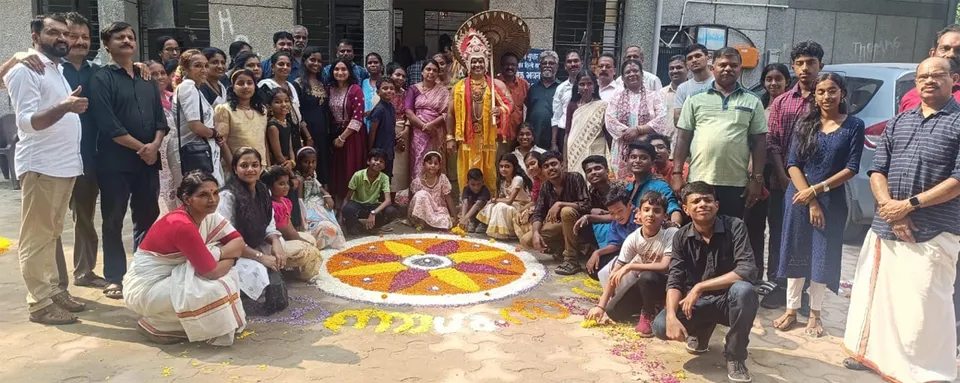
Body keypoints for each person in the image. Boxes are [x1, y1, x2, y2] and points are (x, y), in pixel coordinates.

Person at [841, 57, 960, 383]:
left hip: (934, 230)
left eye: (938, 75)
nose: (929, 81)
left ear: (954, 80)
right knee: (878, 296)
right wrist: (891, 210)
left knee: (925, 305)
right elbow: (877, 170)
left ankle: (926, 371)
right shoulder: (899, 121)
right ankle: (874, 357)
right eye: (923, 76)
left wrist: (908, 206)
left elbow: (958, 181)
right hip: (887, 227)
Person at [4, 13, 88, 324]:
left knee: (51, 234)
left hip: (62, 166)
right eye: (54, 33)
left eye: (65, 33)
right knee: (36, 237)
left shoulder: (55, 69)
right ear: (35, 36)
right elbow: (27, 122)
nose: (63, 39)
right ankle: (39, 303)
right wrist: (65, 106)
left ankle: (53, 290)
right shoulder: (27, 69)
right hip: (41, 166)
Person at [771, 73, 865, 336]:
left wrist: (818, 190)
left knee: (822, 255)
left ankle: (815, 314)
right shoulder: (805, 123)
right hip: (799, 197)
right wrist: (810, 198)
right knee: (796, 251)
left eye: (832, 91)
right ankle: (791, 309)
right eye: (821, 91)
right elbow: (792, 164)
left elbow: (851, 168)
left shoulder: (854, 126)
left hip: (831, 199)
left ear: (842, 93)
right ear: (815, 96)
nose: (827, 96)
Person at [88, 21, 169, 300]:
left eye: (130, 36)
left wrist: (155, 145)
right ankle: (114, 276)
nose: (126, 40)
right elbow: (107, 124)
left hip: (147, 162)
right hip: (114, 164)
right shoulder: (101, 78)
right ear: (107, 45)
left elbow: (161, 119)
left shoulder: (146, 78)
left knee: (148, 218)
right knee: (113, 219)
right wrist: (142, 148)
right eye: (119, 37)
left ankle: (143, 271)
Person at [123, 171, 247, 346]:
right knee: (214, 289)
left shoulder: (208, 215)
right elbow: (211, 272)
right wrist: (229, 256)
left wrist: (220, 256)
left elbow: (238, 241)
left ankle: (175, 324)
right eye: (203, 195)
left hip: (169, 278)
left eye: (215, 192)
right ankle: (157, 325)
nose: (212, 199)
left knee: (228, 276)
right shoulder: (182, 225)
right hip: (147, 289)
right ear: (187, 200)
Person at [653, 181, 760, 383]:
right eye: (696, 201)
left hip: (729, 301)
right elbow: (675, 279)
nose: (703, 204)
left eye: (708, 200)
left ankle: (735, 356)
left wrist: (699, 287)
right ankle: (702, 330)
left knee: (744, 291)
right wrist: (670, 316)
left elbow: (746, 270)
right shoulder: (681, 237)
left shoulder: (735, 226)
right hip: (697, 304)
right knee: (660, 326)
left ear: (716, 205)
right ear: (686, 209)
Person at [761, 41, 824, 310]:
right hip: (782, 182)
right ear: (794, 66)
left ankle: (807, 289)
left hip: (819, 183)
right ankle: (779, 284)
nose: (805, 68)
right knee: (779, 233)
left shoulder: (828, 98)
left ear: (820, 65)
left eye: (811, 62)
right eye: (800, 63)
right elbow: (773, 141)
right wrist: (782, 174)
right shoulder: (782, 102)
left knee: (812, 235)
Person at [671, 47, 767, 220]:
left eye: (733, 65)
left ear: (740, 68)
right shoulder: (694, 99)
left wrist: (757, 179)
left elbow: (760, 142)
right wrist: (677, 174)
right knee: (698, 234)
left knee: (730, 235)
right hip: (700, 179)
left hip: (736, 183)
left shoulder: (752, 101)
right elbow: (683, 139)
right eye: (722, 64)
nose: (728, 69)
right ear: (712, 67)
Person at [587, 189, 678, 337]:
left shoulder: (671, 233)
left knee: (647, 276)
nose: (650, 214)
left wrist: (630, 266)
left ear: (664, 216)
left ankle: (648, 314)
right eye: (646, 210)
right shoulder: (633, 238)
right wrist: (600, 306)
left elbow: (664, 266)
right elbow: (615, 273)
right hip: (645, 285)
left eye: (657, 211)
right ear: (639, 213)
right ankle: (647, 304)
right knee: (613, 311)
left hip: (667, 284)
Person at [56, 12, 104, 288]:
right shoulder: (50, 70)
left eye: (85, 37)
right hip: (55, 158)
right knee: (51, 225)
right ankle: (54, 283)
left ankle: (84, 272)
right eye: (74, 35)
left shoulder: (97, 72)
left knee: (84, 217)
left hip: (89, 158)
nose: (80, 42)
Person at [448, 29, 514, 193]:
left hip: (488, 138)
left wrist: (500, 110)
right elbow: (450, 114)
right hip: (467, 139)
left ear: (486, 63)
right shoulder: (459, 87)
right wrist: (450, 137)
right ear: (468, 63)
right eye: (474, 61)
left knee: (489, 171)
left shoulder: (496, 85)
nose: (477, 64)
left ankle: (488, 204)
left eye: (481, 61)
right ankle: (467, 202)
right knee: (467, 171)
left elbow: (510, 105)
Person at [520, 151, 591, 275]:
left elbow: (587, 205)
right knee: (527, 240)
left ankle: (572, 260)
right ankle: (562, 247)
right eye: (546, 166)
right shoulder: (545, 187)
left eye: (554, 164)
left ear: (562, 165)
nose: (551, 168)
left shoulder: (575, 178)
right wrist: (536, 233)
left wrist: (561, 204)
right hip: (560, 226)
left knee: (566, 211)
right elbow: (538, 213)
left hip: (582, 223)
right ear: (542, 170)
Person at [170, 49, 225, 186]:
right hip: (192, 153)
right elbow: (196, 126)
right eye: (197, 65)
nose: (203, 70)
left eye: (206, 65)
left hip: (200, 151)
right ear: (185, 69)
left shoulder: (195, 88)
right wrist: (216, 133)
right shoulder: (188, 87)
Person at [605, 59, 667, 178]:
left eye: (635, 71)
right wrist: (629, 133)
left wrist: (638, 130)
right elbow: (610, 121)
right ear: (622, 78)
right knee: (622, 184)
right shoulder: (616, 98)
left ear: (642, 74)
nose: (632, 74)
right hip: (622, 146)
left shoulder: (654, 96)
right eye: (628, 72)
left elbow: (662, 119)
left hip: (647, 145)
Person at [574, 156, 627, 276]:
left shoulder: (621, 187)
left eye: (597, 168)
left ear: (607, 171)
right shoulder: (591, 191)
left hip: (624, 232)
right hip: (608, 231)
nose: (593, 173)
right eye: (589, 171)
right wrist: (591, 211)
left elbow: (624, 215)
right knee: (580, 222)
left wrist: (592, 217)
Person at [329, 58, 368, 201]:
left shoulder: (355, 89)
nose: (340, 72)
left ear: (350, 72)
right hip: (335, 133)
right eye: (337, 69)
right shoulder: (330, 88)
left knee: (350, 168)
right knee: (337, 169)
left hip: (352, 135)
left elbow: (358, 118)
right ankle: (338, 201)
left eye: (344, 69)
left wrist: (342, 138)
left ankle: (350, 202)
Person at [405, 59, 450, 182]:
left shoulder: (443, 91)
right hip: (418, 132)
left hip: (436, 131)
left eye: (435, 70)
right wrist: (424, 126)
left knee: (435, 161)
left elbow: (446, 113)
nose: (431, 72)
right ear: (422, 72)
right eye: (428, 69)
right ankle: (418, 192)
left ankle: (437, 193)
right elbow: (408, 111)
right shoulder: (413, 89)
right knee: (418, 160)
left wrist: (431, 125)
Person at [899, 24, 960, 112]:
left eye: (959, 50)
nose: (951, 54)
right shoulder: (912, 96)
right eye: (945, 49)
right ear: (933, 53)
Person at [294, 46, 332, 185]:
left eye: (319, 61)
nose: (316, 64)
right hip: (307, 132)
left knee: (322, 163)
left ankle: (323, 197)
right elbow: (297, 112)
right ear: (304, 60)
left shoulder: (323, 84)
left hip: (323, 132)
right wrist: (307, 135)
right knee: (307, 164)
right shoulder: (298, 84)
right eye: (312, 60)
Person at [294, 147, 345, 249]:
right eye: (306, 162)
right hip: (307, 206)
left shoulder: (313, 174)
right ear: (299, 163)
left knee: (331, 223)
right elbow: (300, 201)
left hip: (318, 202)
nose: (311, 165)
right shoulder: (298, 179)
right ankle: (317, 243)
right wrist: (302, 219)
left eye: (313, 162)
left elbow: (319, 186)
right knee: (322, 226)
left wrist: (327, 195)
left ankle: (330, 240)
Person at [216, 70, 268, 169]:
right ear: (233, 88)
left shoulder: (262, 111)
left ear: (255, 87)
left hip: (260, 168)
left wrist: (267, 166)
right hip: (236, 169)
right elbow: (222, 143)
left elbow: (264, 141)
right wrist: (234, 168)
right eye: (240, 83)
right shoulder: (225, 110)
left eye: (249, 83)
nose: (245, 87)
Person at [341, 148, 400, 234]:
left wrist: (373, 213)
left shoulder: (384, 178)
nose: (378, 163)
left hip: (373, 206)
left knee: (392, 212)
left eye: (381, 161)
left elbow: (388, 200)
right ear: (368, 161)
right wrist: (341, 216)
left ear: (384, 166)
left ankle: (375, 226)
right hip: (358, 205)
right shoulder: (358, 175)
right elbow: (347, 198)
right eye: (375, 159)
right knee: (348, 209)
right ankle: (356, 225)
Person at [624, 142, 684, 225]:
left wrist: (675, 225)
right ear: (627, 161)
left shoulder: (659, 186)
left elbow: (674, 209)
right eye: (633, 157)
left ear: (652, 162)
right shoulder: (628, 188)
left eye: (643, 158)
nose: (637, 161)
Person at [259, 51, 308, 151]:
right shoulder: (265, 86)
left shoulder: (291, 86)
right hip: (276, 136)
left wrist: (306, 135)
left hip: (293, 135)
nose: (285, 67)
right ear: (273, 67)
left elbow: (297, 113)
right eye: (281, 64)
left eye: (288, 65)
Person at [564, 70, 609, 176]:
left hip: (597, 149)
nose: (585, 87)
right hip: (574, 151)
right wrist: (565, 162)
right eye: (582, 84)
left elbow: (607, 133)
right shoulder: (572, 106)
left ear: (594, 86)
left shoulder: (602, 106)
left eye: (589, 84)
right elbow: (567, 133)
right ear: (577, 87)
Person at [478, 153, 532, 238]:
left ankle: (508, 232)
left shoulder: (518, 179)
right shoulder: (503, 180)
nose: (503, 169)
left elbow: (510, 200)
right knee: (492, 205)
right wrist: (493, 201)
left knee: (500, 206)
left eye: (507, 166)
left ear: (514, 167)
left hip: (522, 207)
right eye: (501, 166)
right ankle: (493, 229)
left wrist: (494, 200)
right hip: (512, 205)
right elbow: (502, 197)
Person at [148, 59, 179, 213]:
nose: (160, 77)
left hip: (177, 155)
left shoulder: (174, 98)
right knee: (163, 200)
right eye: (154, 74)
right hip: (159, 157)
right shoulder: (146, 102)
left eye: (162, 73)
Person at [408, 151, 457, 230]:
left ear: (439, 166)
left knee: (446, 222)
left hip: (438, 209)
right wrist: (409, 215)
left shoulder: (442, 178)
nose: (433, 166)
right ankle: (421, 223)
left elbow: (448, 198)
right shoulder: (417, 181)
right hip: (421, 211)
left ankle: (431, 223)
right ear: (424, 164)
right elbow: (414, 200)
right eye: (430, 163)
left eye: (435, 163)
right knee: (421, 194)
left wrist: (455, 216)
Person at [382, 63, 410, 194]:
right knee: (389, 164)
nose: (400, 78)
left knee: (401, 168)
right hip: (388, 130)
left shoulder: (407, 93)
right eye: (397, 74)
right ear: (390, 75)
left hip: (403, 131)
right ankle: (388, 196)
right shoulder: (386, 93)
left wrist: (406, 130)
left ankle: (398, 197)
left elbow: (410, 112)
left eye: (403, 76)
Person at [525, 50, 560, 150]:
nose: (547, 66)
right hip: (535, 138)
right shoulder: (532, 89)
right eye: (544, 63)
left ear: (556, 67)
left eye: (551, 63)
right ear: (540, 67)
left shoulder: (561, 88)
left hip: (555, 139)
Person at [550, 50, 583, 151]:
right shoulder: (561, 88)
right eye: (569, 62)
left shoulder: (590, 86)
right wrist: (554, 143)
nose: (573, 64)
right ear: (565, 66)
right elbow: (556, 116)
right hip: (564, 133)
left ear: (581, 63)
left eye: (575, 61)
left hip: (584, 132)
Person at [673, 44, 713, 126]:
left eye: (698, 56)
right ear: (687, 64)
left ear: (707, 58)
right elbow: (677, 120)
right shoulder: (682, 88)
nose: (694, 60)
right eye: (690, 58)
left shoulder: (719, 82)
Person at [496, 52, 529, 147]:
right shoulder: (494, 84)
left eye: (513, 64)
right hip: (498, 137)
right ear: (501, 66)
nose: (510, 67)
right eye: (506, 64)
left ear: (517, 66)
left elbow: (529, 107)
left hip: (517, 137)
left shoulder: (524, 85)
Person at [368, 78, 397, 177]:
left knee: (387, 178)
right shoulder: (379, 109)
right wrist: (370, 150)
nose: (389, 91)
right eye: (385, 88)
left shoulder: (392, 107)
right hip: (379, 152)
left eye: (391, 88)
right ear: (378, 92)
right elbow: (372, 132)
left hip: (389, 152)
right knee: (378, 179)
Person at [513, 151, 545, 238]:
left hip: (548, 211)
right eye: (527, 166)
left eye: (533, 163)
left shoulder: (550, 177)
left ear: (541, 162)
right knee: (518, 215)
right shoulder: (537, 181)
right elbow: (534, 201)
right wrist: (519, 211)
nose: (530, 168)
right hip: (540, 209)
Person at [264, 87, 297, 170]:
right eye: (278, 102)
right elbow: (278, 156)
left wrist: (292, 162)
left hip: (288, 164)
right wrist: (291, 173)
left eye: (286, 101)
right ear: (269, 107)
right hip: (279, 167)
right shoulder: (273, 127)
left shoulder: (287, 124)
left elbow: (290, 148)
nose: (284, 104)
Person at [658, 55, 687, 145]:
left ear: (687, 69)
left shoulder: (694, 92)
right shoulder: (660, 94)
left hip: (686, 146)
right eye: (671, 68)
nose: (674, 71)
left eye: (679, 67)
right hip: (664, 146)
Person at [458, 168, 491, 232]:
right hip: (472, 214)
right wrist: (463, 218)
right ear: (468, 183)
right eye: (473, 184)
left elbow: (477, 205)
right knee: (464, 203)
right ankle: (472, 222)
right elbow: (465, 203)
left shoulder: (485, 190)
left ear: (483, 182)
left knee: (487, 205)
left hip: (482, 214)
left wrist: (465, 218)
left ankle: (483, 223)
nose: (476, 187)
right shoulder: (466, 189)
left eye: (479, 184)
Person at [362, 52, 384, 124]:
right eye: (370, 63)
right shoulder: (363, 83)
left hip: (383, 123)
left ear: (381, 65)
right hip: (365, 124)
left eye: (376, 62)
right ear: (366, 66)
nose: (373, 65)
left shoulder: (387, 83)